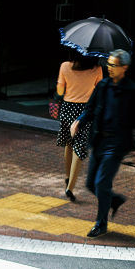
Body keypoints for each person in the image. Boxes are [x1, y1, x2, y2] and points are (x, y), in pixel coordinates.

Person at [72, 49, 135, 238]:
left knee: (101, 183)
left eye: (113, 65)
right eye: (108, 64)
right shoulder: (103, 85)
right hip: (99, 140)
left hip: (117, 144)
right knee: (91, 184)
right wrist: (79, 120)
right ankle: (114, 200)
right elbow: (89, 108)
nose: (109, 68)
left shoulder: (133, 91)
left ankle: (101, 224)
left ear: (124, 68)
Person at [55, 50, 102, 201]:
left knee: (69, 144)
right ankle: (70, 187)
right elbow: (99, 92)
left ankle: (68, 177)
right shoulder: (97, 69)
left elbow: (60, 91)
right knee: (79, 147)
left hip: (67, 108)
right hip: (85, 111)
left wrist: (63, 84)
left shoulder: (65, 66)